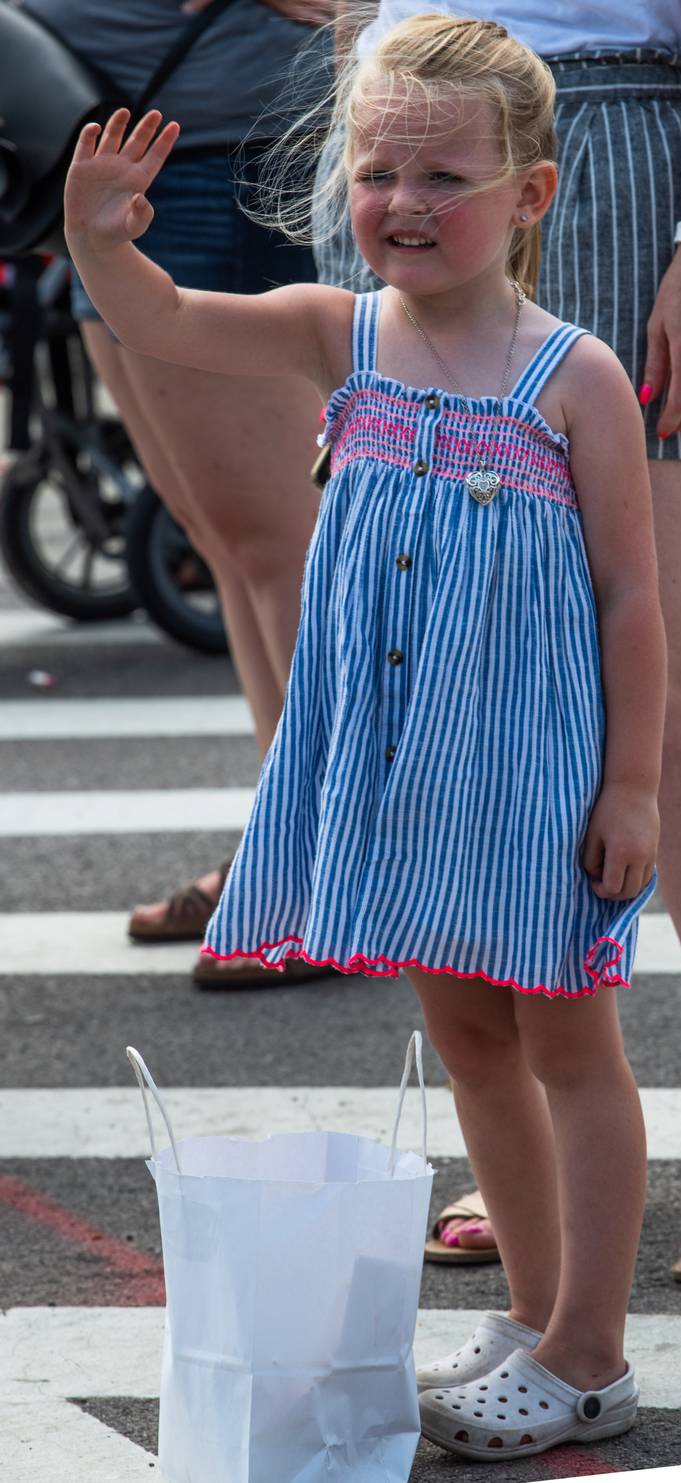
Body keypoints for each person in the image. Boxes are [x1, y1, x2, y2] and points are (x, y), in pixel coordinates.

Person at [63, 12, 669, 1458]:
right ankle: (531, 1310)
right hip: (403, 770)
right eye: (378, 169)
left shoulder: (571, 375)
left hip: (530, 774)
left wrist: (633, 783)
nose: (402, 203)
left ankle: (591, 1346)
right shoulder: (343, 334)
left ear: (531, 195)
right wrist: (98, 239)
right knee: (465, 1034)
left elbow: (636, 597)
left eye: (444, 176)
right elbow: (162, 321)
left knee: (570, 1044)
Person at [320, 0, 681, 1283]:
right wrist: (358, 148)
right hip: (411, 114)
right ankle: (537, 1140)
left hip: (618, 140)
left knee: (661, 685)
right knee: (478, 687)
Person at [22, 0, 334, 984]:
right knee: (229, 540)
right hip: (111, 152)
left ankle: (321, 873)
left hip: (214, 149)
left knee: (276, 546)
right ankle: (287, 846)